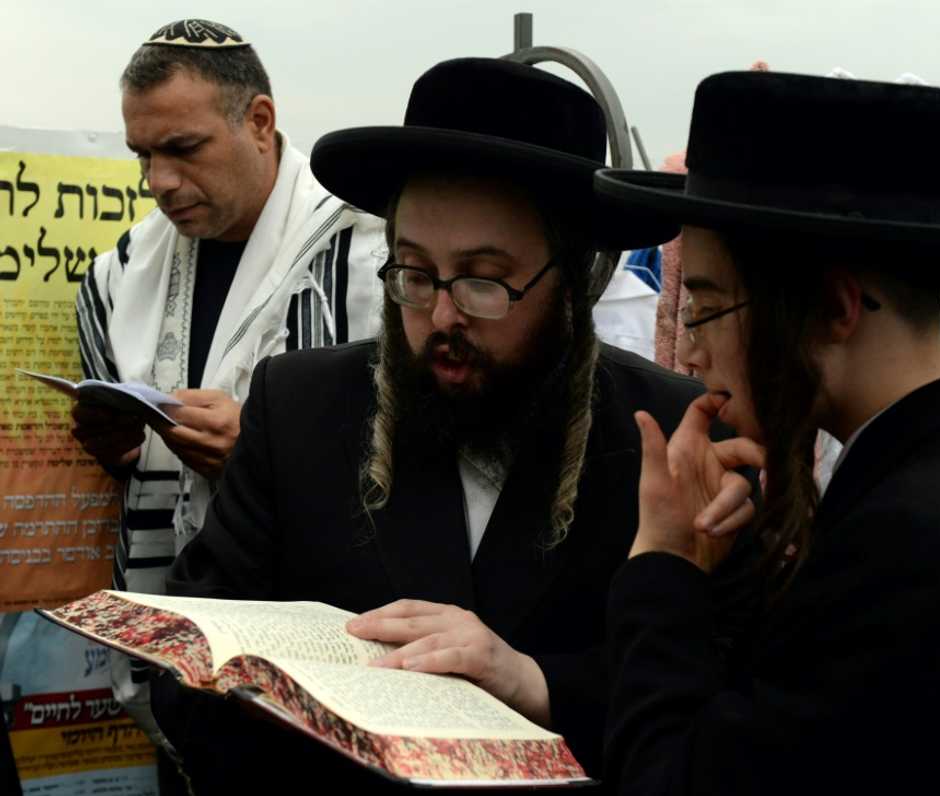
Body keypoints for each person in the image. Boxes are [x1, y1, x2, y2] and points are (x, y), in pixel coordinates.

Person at [151, 57, 737, 792]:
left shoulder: (673, 435)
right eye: (414, 275)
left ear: (574, 278)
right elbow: (188, 668)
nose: (442, 318)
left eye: (484, 280)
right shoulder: (299, 405)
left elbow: (719, 703)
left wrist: (536, 684)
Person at [595, 71, 940, 794]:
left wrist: (662, 566)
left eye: (703, 307)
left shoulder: (912, 545)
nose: (689, 349)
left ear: (833, 309)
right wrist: (732, 573)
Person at [71, 19, 385, 751]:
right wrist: (118, 445)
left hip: (331, 666)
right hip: (173, 658)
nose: (160, 182)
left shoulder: (370, 259)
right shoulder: (117, 275)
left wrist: (266, 451)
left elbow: (435, 464)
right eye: (143, 155)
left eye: (183, 149)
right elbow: (128, 475)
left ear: (261, 122)